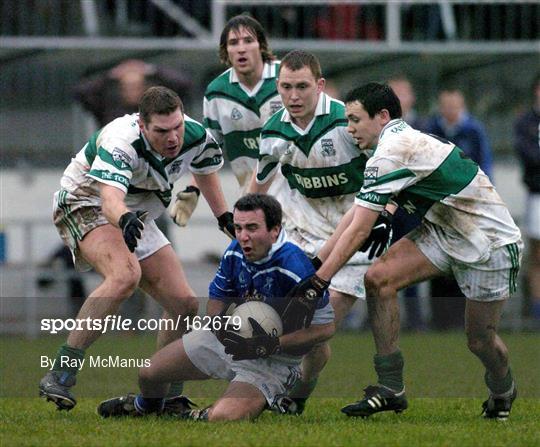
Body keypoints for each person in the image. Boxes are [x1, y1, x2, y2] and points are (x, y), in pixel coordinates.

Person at [301, 82, 522, 420]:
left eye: (356, 119)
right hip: (442, 229)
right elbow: (359, 214)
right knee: (377, 279)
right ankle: (392, 387)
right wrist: (319, 264)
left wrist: (319, 278)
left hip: (488, 241)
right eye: (347, 120)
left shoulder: (391, 150)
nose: (350, 129)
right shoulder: (401, 139)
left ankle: (502, 390)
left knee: (480, 340)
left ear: (383, 116)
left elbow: (359, 227)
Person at [39, 86, 235, 411]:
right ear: (143, 126)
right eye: (162, 131)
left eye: (177, 127)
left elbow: (205, 170)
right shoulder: (121, 142)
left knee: (185, 304)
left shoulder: (194, 134)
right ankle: (61, 373)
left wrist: (223, 216)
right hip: (86, 203)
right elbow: (110, 200)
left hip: (134, 213)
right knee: (125, 276)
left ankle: (163, 397)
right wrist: (125, 219)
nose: (173, 138)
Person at [96, 193, 335, 421]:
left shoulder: (296, 268)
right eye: (239, 228)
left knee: (225, 417)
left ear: (275, 231)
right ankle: (146, 407)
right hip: (230, 337)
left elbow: (324, 329)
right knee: (149, 373)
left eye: (252, 228)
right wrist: (223, 329)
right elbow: (217, 301)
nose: (243, 236)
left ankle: (195, 415)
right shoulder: (234, 252)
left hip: (273, 358)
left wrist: (268, 344)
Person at [249, 50, 393, 414]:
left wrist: (388, 213)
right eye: (285, 87)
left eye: (302, 87)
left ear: (320, 85)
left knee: (318, 324)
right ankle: (290, 398)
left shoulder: (348, 121)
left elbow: (391, 173)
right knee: (300, 328)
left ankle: (290, 394)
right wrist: (242, 228)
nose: (293, 96)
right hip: (302, 232)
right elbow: (258, 185)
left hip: (357, 234)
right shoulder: (273, 131)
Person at [170, 14, 284, 228]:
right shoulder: (217, 92)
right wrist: (194, 189)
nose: (241, 48)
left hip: (298, 193)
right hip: (254, 199)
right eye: (233, 43)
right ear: (225, 51)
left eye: (248, 41)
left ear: (261, 45)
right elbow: (209, 150)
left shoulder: (287, 78)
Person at [426, 88, 495, 329]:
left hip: (466, 204)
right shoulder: (432, 128)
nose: (450, 111)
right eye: (446, 106)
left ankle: (460, 319)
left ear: (461, 105)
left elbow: (486, 163)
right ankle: (439, 318)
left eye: (454, 106)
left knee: (462, 259)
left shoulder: (474, 130)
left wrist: (482, 197)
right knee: (435, 257)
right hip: (438, 203)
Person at [387, 76, 426, 331]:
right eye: (394, 93)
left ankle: (415, 319)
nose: (400, 98)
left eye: (403, 93)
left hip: (412, 205)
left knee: (410, 264)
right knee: (381, 260)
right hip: (385, 206)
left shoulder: (424, 127)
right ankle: (380, 315)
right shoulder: (379, 130)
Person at [73, 59, 192, 128]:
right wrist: (110, 75)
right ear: (120, 89)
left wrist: (152, 70)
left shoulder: (157, 109)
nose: (132, 91)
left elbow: (184, 85)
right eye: (127, 87)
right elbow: (81, 92)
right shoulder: (108, 109)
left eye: (136, 86)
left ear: (145, 87)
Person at [514, 73, 540, 323]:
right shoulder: (525, 122)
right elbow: (529, 155)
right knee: (537, 253)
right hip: (537, 194)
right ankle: (536, 309)